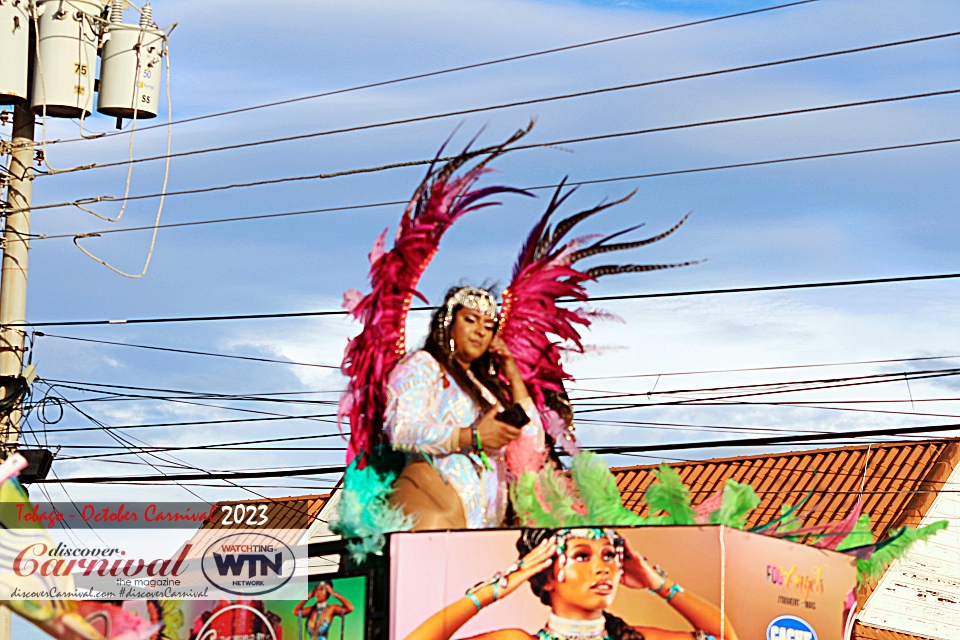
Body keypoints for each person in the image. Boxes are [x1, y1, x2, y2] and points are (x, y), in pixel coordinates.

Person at [386, 285, 544, 530]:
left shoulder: (488, 391)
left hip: (486, 530)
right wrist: (472, 436)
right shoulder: (423, 366)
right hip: (433, 513)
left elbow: (532, 445)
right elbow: (402, 430)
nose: (480, 331)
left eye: (489, 327)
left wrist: (512, 373)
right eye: (471, 320)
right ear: (448, 322)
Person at [404, 527, 739, 640]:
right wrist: (492, 591)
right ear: (547, 576)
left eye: (609, 555)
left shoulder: (636, 638)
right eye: (582, 556)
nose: (602, 568)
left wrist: (659, 583)